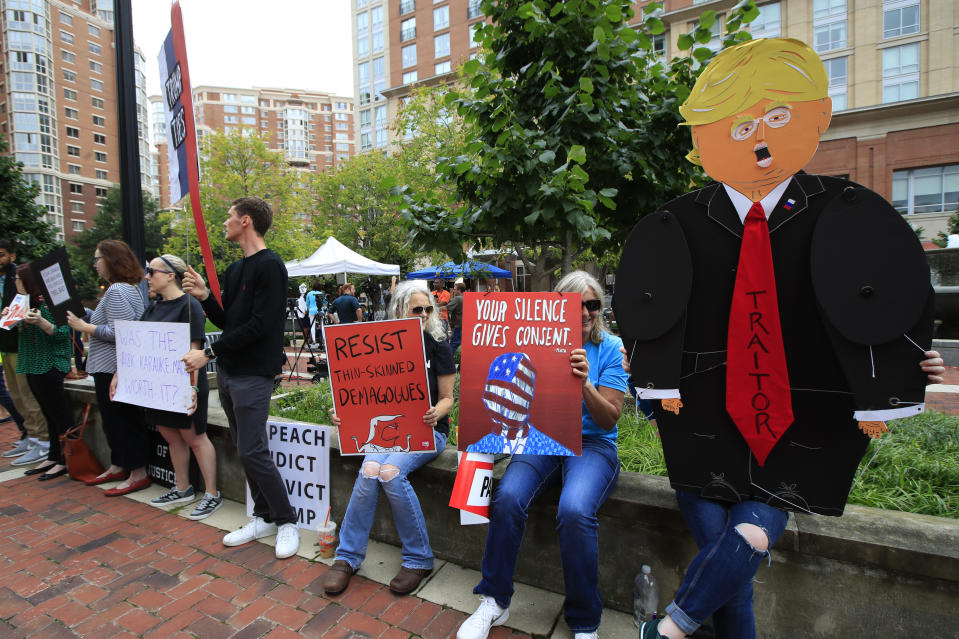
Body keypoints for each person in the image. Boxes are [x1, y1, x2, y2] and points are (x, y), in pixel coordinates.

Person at [609, 39, 944, 639]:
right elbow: (651, 308)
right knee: (728, 560)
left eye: (778, 117)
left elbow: (881, 303)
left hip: (801, 427)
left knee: (749, 537)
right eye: (736, 126)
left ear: (818, 116)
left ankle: (668, 630)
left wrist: (905, 367)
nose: (759, 139)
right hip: (703, 424)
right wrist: (653, 378)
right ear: (703, 144)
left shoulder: (846, 213)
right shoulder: (678, 224)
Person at [458, 271, 628, 639]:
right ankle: (494, 600)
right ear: (557, 308)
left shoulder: (611, 349)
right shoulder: (539, 344)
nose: (585, 313)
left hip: (593, 445)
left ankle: (584, 621)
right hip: (547, 441)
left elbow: (610, 417)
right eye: (576, 305)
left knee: (574, 510)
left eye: (593, 305)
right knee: (508, 496)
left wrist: (583, 384)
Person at [181, 196, 300, 559]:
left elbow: (262, 325)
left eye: (229, 217)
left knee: (253, 449)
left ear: (246, 221)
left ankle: (286, 520)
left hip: (253, 374)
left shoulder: (271, 266)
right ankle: (264, 516)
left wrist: (210, 353)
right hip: (231, 372)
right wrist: (204, 297)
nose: (224, 223)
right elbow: (228, 321)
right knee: (245, 449)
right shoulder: (234, 271)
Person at [322, 280, 455, 596]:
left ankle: (419, 558)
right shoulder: (378, 345)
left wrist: (437, 411)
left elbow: (449, 397)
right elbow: (362, 394)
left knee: (390, 473)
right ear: (399, 311)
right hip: (388, 434)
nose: (424, 314)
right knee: (369, 471)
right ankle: (347, 557)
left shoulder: (438, 346)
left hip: (427, 432)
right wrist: (343, 413)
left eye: (427, 309)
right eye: (416, 309)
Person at [117, 254, 221, 520]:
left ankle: (211, 493)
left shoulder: (190, 306)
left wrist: (193, 390)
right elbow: (137, 345)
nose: (147, 275)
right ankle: (183, 487)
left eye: (152, 271)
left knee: (195, 437)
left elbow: (194, 351)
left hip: (184, 384)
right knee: (171, 435)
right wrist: (121, 373)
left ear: (171, 275)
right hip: (159, 388)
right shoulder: (152, 307)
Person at [67, 240, 149, 496]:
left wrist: (85, 328)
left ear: (112, 260)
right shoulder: (125, 290)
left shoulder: (117, 291)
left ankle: (137, 473)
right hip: (111, 366)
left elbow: (121, 332)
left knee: (121, 420)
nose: (95, 264)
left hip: (114, 367)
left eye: (97, 258)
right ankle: (118, 465)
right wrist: (90, 316)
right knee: (113, 421)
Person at [10, 265, 73, 481]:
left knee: (59, 414)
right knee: (48, 414)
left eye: (18, 278)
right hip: (32, 363)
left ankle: (66, 459)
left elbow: (63, 334)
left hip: (50, 365)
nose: (15, 282)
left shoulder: (48, 304)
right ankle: (53, 456)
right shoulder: (21, 304)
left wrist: (40, 321)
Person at [0, 240, 49, 465]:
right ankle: (30, 435)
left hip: (23, 347)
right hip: (6, 345)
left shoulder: (23, 282)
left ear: (11, 255)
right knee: (17, 395)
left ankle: (43, 441)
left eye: (1, 255)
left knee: (28, 395)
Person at [446, 280, 467, 357]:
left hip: (458, 327)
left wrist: (434, 308)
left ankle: (449, 363)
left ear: (459, 290)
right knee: (463, 346)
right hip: (465, 326)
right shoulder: (467, 297)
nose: (453, 290)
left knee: (453, 345)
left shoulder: (457, 298)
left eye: (455, 289)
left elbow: (447, 308)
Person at [305, 280, 324, 347]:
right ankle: (323, 339)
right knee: (322, 324)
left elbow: (307, 303)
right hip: (320, 310)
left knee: (312, 325)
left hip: (311, 310)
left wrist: (308, 309)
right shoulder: (321, 293)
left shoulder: (309, 293)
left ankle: (314, 340)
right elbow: (324, 303)